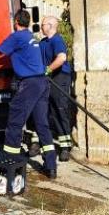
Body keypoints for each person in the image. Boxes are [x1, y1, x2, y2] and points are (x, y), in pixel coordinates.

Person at [0, 9, 58, 178]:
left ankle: (10, 164)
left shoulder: (17, 37)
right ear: (28, 23)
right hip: (41, 83)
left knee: (15, 122)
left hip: (29, 84)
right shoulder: (31, 37)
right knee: (42, 124)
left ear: (15, 23)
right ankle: (51, 167)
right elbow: (0, 49)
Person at [37, 16, 74, 161]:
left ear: (51, 26)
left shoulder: (57, 40)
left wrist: (48, 69)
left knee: (60, 110)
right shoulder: (43, 42)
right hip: (48, 79)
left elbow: (61, 58)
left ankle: (65, 147)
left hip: (60, 78)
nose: (41, 27)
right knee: (48, 110)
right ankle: (42, 143)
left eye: (43, 24)